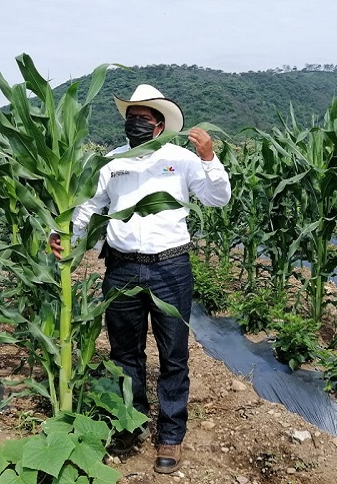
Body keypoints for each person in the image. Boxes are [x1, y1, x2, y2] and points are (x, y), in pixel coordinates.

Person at [49, 84, 231, 474]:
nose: (134, 123)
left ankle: (170, 433)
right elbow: (89, 208)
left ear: (160, 124)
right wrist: (65, 237)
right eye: (131, 116)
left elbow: (217, 198)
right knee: (124, 352)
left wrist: (210, 158)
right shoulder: (111, 162)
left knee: (173, 354)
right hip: (122, 267)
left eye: (143, 118)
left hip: (170, 267)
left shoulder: (181, 159)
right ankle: (132, 421)